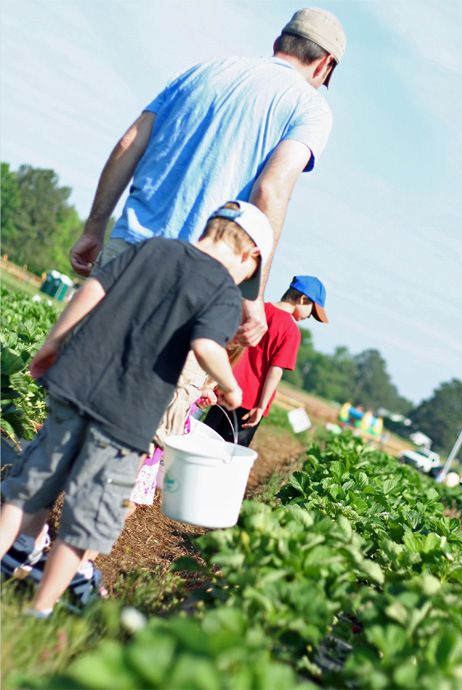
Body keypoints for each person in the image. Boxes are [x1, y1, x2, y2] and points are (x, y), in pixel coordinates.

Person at [0, 201, 273, 617]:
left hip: (75, 384)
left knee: (28, 489)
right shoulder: (221, 289)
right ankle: (39, 609)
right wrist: (231, 386)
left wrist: (55, 341)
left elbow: (92, 289)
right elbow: (206, 346)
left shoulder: (153, 248)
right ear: (249, 257)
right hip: (126, 417)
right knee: (86, 521)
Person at [68, 7, 346, 346]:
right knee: (150, 395)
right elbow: (270, 190)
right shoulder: (310, 108)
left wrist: (95, 227)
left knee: (73, 376)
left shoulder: (204, 70)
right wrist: (253, 293)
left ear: (279, 41)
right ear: (324, 64)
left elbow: (130, 143)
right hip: (200, 275)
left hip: (129, 249)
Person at [201, 275, 328, 447]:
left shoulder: (257, 311)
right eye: (312, 311)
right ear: (303, 299)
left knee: (203, 440)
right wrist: (261, 406)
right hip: (250, 403)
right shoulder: (291, 332)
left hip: (224, 389)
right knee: (228, 453)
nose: (309, 316)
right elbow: (275, 371)